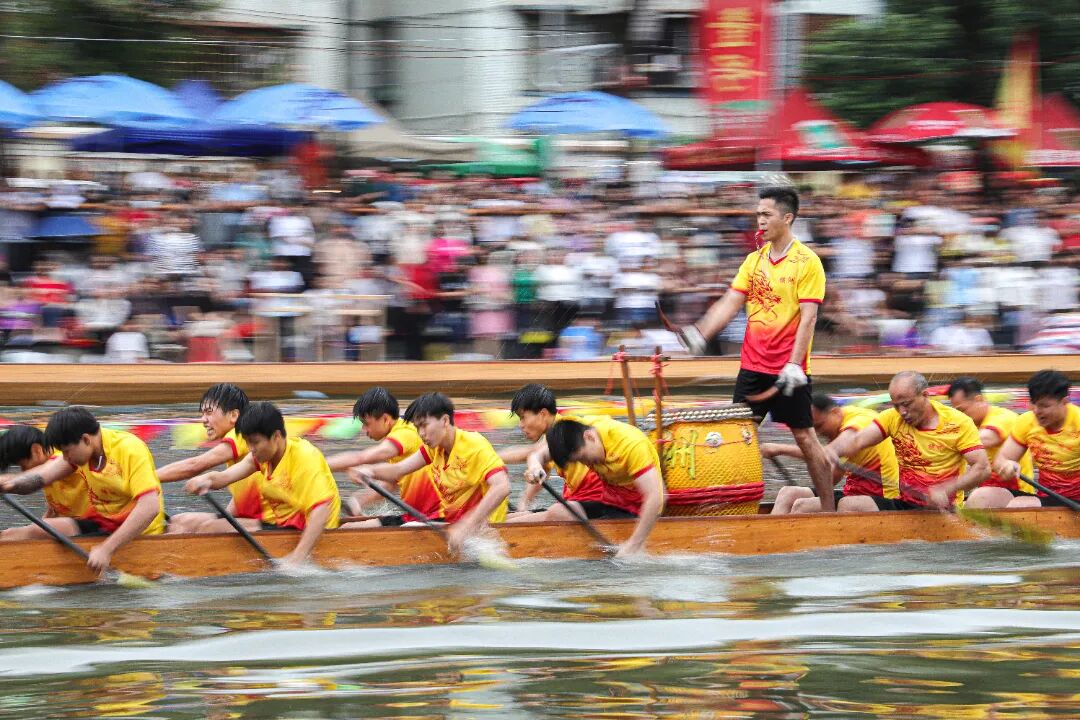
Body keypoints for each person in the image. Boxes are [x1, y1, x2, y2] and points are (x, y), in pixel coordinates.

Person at [676, 186, 835, 509]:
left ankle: (830, 511)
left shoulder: (808, 262)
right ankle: (731, 508)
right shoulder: (754, 260)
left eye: (766, 214)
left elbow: (808, 318)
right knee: (737, 439)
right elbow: (730, 302)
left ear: (787, 217)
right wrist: (700, 333)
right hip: (752, 368)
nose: (759, 221)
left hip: (788, 372)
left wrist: (793, 364)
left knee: (805, 438)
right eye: (758, 214)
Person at [0, 407, 166, 572]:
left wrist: (106, 549)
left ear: (86, 439)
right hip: (101, 524)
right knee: (27, 531)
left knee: (35, 530)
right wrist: (10, 486)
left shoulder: (130, 449)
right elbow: (42, 477)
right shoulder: (81, 451)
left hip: (140, 532)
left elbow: (149, 507)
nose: (63, 458)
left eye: (66, 452)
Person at [349, 392, 509, 554]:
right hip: (452, 525)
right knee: (350, 528)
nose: (421, 434)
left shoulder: (475, 445)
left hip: (485, 529)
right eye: (418, 427)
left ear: (445, 421)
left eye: (424, 425)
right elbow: (399, 469)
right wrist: (370, 471)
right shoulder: (434, 448)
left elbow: (502, 486)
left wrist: (466, 526)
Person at [185, 402, 340, 567]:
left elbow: (322, 509)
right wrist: (205, 479)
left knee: (211, 528)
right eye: (247, 443)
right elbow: (225, 477)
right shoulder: (262, 457)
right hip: (283, 525)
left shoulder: (305, 457)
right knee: (191, 523)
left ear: (276, 436)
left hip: (311, 529)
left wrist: (297, 557)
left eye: (255, 442)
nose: (251, 449)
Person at [826, 372, 991, 510]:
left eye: (906, 404)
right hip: (905, 503)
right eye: (896, 405)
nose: (902, 412)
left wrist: (946, 489)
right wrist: (831, 451)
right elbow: (856, 441)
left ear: (925, 395)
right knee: (849, 504)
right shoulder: (892, 417)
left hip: (944, 507)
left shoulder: (958, 423)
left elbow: (982, 469)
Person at [533, 417, 666, 558]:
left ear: (589, 436)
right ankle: (600, 550)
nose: (585, 463)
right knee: (558, 511)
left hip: (639, 509)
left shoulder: (630, 445)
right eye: (579, 461)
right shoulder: (579, 432)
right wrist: (534, 466)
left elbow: (655, 497)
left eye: (583, 457)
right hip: (610, 503)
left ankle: (603, 552)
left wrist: (633, 545)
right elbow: (539, 454)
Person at [762, 394, 899, 514]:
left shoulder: (858, 421)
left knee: (801, 506)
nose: (818, 433)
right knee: (788, 493)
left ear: (835, 413)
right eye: (813, 428)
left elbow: (830, 451)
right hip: (853, 493)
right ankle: (765, 539)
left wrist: (780, 449)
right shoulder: (838, 427)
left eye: (819, 426)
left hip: (881, 496)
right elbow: (833, 478)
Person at [499, 383, 616, 520]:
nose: (521, 425)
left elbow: (533, 452)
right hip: (577, 501)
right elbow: (542, 468)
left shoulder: (568, 427)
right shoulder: (550, 435)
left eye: (523, 417)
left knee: (507, 524)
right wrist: (523, 504)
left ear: (542, 414)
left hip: (595, 503)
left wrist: (489, 457)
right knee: (508, 518)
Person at [326, 388, 440, 527]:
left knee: (345, 530)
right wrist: (358, 500)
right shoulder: (400, 438)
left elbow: (362, 457)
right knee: (346, 528)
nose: (364, 430)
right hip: (416, 517)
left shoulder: (405, 433)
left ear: (385, 419)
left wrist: (317, 464)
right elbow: (390, 484)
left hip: (434, 517)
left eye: (366, 424)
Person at [157, 383, 262, 534]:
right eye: (202, 413)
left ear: (233, 415)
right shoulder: (238, 449)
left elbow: (195, 465)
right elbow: (241, 499)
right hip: (249, 518)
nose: (203, 419)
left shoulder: (242, 433)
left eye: (209, 412)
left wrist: (146, 478)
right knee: (180, 521)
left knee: (209, 528)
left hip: (271, 520)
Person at [993, 370, 1078, 508]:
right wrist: (1007, 465)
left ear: (1064, 402)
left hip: (1075, 502)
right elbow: (1001, 460)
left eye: (1044, 406)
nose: (1037, 411)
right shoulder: (1026, 422)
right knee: (981, 497)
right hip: (1045, 497)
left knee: (1018, 506)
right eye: (1034, 404)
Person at [946, 376, 1034, 509]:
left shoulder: (1003, 417)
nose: (960, 416)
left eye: (962, 410)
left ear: (979, 399)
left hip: (1016, 494)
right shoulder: (970, 425)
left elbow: (982, 439)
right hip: (989, 494)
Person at [0, 425, 91, 540]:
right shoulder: (46, 470)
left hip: (96, 525)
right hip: (73, 527)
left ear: (36, 450)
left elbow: (38, 474)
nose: (24, 471)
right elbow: (52, 514)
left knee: (16, 534)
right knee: (16, 533)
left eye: (23, 466)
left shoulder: (67, 457)